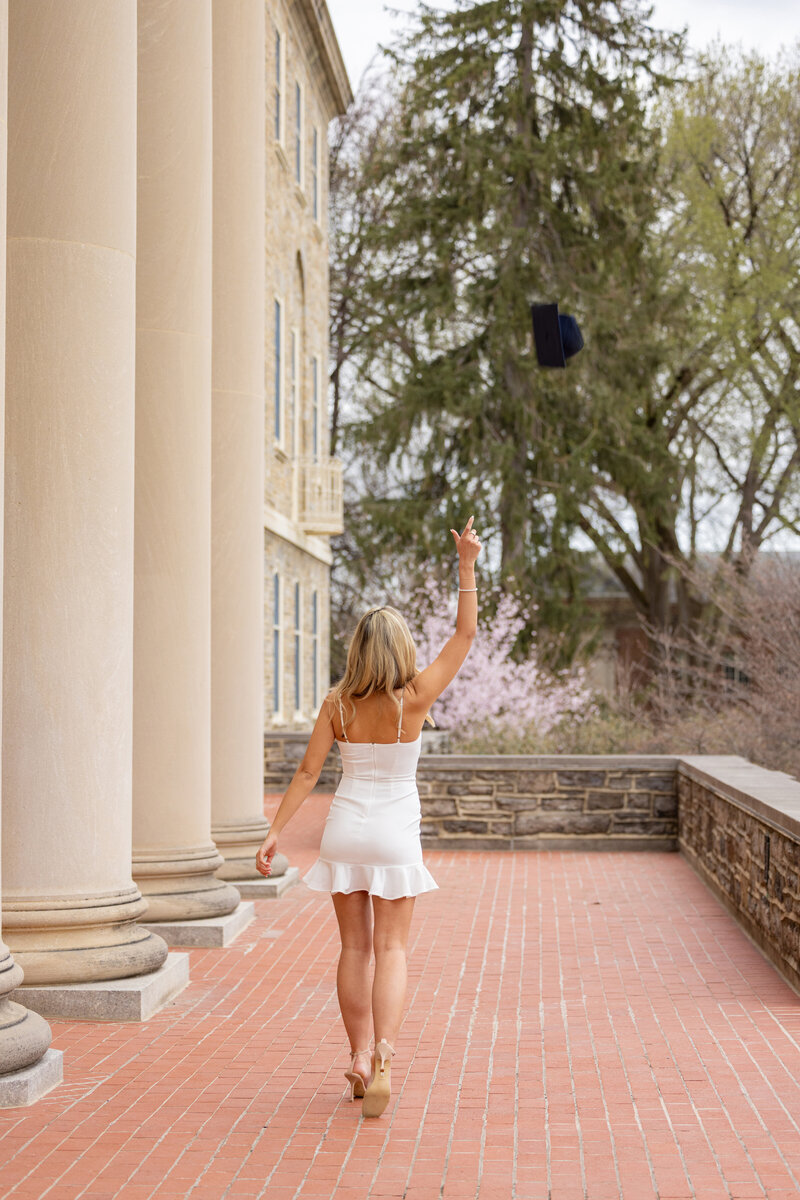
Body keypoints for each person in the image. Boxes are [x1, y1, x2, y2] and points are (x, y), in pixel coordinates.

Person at [255, 516, 481, 1117]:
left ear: (357, 649)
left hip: (347, 830)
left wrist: (275, 830)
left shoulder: (337, 704)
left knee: (354, 950)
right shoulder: (415, 698)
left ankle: (355, 1055)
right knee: (394, 951)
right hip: (395, 833)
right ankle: (383, 1052)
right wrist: (466, 564)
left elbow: (307, 774)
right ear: (402, 650)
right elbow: (463, 635)